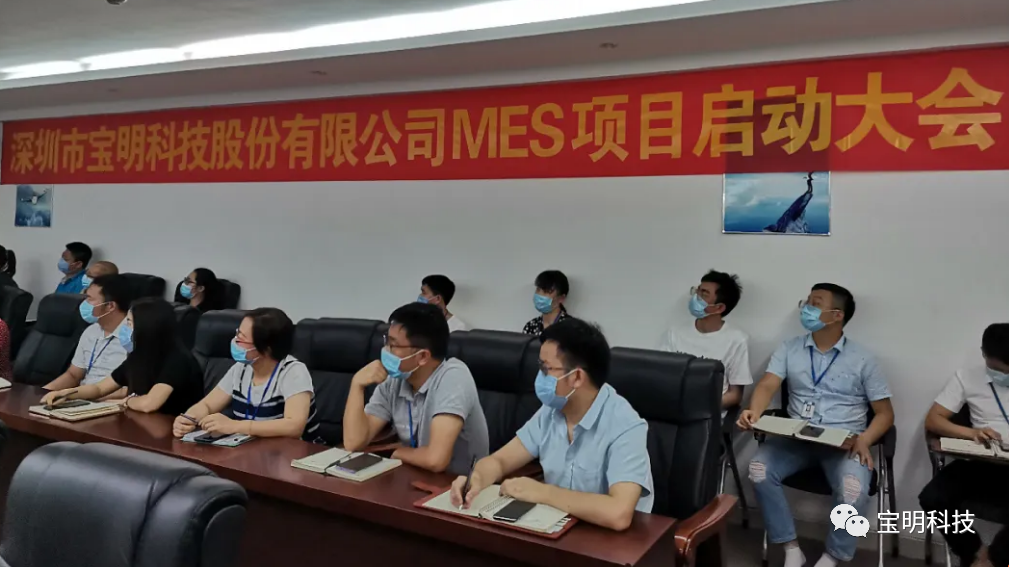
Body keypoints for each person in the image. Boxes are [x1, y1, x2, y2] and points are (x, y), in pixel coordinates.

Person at [738, 284, 894, 567]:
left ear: (836, 315)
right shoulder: (790, 348)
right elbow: (768, 384)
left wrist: (865, 439)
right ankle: (790, 547)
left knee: (852, 490)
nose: (806, 308)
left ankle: (833, 556)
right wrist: (754, 411)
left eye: (815, 303)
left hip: (844, 443)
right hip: (795, 438)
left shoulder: (863, 359)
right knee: (758, 470)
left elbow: (884, 414)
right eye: (806, 302)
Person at [450, 318, 653, 531]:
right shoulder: (552, 410)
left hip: (612, 540)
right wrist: (476, 479)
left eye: (545, 369)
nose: (539, 376)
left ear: (576, 377)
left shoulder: (625, 425)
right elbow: (500, 461)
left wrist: (543, 492)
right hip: (556, 527)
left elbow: (619, 513)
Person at [343, 302, 488, 475]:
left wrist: (398, 453)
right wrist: (357, 385)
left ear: (423, 356)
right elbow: (353, 442)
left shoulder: (454, 377)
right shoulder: (394, 380)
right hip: (414, 475)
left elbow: (436, 460)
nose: (386, 350)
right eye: (387, 341)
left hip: (458, 484)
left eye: (393, 345)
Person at [919, 323, 1009, 567]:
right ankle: (975, 552)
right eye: (999, 369)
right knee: (932, 497)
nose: (1005, 375)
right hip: (982, 463)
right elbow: (934, 420)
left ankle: (994, 559)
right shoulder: (967, 377)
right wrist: (972, 433)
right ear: (984, 355)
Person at [172, 307, 320, 441]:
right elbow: (207, 405)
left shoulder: (293, 372)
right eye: (237, 333)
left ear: (266, 349)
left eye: (241, 339)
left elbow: (293, 426)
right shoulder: (241, 368)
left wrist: (235, 426)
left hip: (296, 455)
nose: (235, 341)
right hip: (252, 450)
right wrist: (188, 419)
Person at [41, 299, 203, 415]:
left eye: (129, 323)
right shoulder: (139, 356)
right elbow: (99, 389)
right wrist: (67, 394)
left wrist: (127, 401)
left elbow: (149, 404)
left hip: (171, 431)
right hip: (141, 425)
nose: (125, 328)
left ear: (147, 329)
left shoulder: (178, 360)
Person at [662, 270, 752, 417]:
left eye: (703, 294)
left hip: (708, 416)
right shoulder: (675, 333)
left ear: (719, 308)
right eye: (697, 290)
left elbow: (735, 395)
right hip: (672, 411)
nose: (696, 297)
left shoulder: (737, 340)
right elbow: (662, 375)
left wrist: (698, 407)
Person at [44, 274, 131, 390]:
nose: (84, 303)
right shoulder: (91, 331)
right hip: (82, 395)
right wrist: (44, 392)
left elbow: (128, 390)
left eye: (90, 299)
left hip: (108, 399)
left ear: (110, 306)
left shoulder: (133, 338)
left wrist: (79, 395)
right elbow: (73, 375)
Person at [523, 270, 570, 336]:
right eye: (538, 290)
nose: (540, 295)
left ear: (561, 298)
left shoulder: (571, 327)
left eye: (547, 291)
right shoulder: (530, 326)